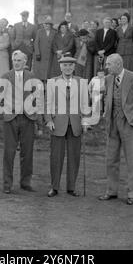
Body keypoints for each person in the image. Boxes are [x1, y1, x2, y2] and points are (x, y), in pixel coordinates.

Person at [97, 53, 133, 205]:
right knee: (111, 159)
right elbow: (106, 98)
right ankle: (111, 191)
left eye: (108, 64)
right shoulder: (108, 79)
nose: (106, 67)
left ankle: (132, 194)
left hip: (129, 124)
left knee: (131, 160)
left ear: (118, 64)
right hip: (112, 123)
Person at [0, 50, 41, 194]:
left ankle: (25, 182)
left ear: (25, 62)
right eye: (15, 60)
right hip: (11, 119)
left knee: (27, 152)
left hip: (27, 118)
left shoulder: (32, 77)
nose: (17, 63)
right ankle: (7, 184)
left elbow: (37, 98)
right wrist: (3, 113)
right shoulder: (5, 76)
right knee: (9, 152)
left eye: (19, 60)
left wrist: (38, 121)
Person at [44, 56, 89, 197]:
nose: (68, 68)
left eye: (70, 65)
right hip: (58, 123)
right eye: (65, 65)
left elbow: (85, 105)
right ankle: (54, 187)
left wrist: (86, 121)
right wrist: (49, 120)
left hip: (75, 124)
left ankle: (71, 187)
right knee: (56, 157)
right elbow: (47, 104)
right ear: (60, 67)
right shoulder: (52, 82)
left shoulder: (81, 82)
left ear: (74, 67)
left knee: (74, 157)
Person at [33, 15, 57, 82]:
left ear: (51, 25)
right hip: (41, 54)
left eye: (48, 24)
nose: (46, 25)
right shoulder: (39, 31)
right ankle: (40, 84)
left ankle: (47, 84)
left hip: (50, 55)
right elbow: (36, 43)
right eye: (45, 24)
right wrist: (37, 53)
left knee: (49, 71)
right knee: (40, 71)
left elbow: (56, 43)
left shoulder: (54, 32)